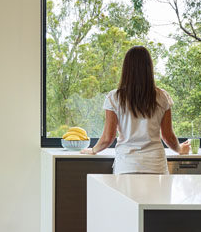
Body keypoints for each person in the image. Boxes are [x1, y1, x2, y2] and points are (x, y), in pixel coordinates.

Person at [80, 45, 189, 173]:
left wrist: (93, 150)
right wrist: (180, 149)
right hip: (155, 166)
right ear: (149, 68)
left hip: (127, 165)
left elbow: (107, 138)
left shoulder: (114, 97)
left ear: (126, 69)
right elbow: (168, 136)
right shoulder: (162, 96)